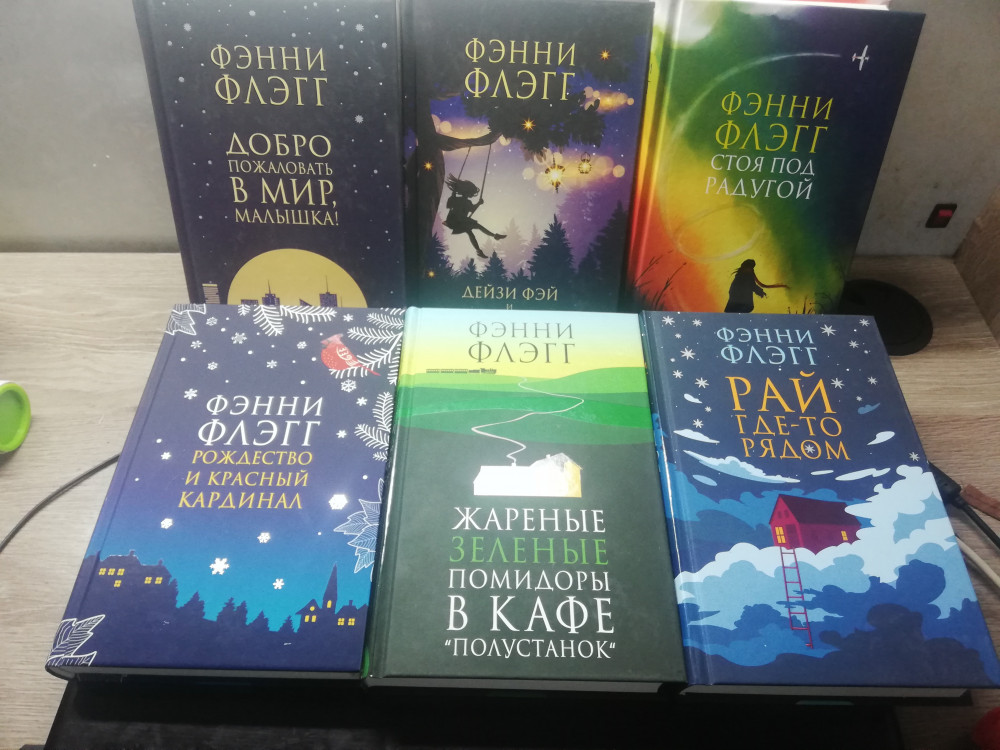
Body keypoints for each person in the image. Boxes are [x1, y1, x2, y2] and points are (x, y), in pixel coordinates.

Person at [442, 174, 506, 259]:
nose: (470, 195)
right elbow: (450, 206)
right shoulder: (457, 199)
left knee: (471, 231)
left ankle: (481, 249)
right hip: (454, 221)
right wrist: (454, 194)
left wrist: (478, 203)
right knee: (475, 228)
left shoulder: (464, 201)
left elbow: (472, 209)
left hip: (461, 221)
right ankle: (493, 237)